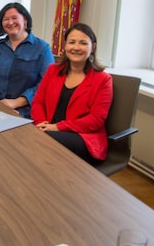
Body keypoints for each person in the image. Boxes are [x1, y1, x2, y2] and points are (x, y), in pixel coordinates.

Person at [30, 22, 113, 165]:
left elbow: (96, 119)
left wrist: (57, 127)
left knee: (38, 142)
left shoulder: (103, 80)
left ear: (93, 47)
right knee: (28, 137)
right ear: (65, 46)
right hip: (49, 130)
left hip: (82, 137)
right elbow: (38, 102)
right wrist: (41, 123)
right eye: (72, 42)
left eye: (83, 43)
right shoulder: (53, 71)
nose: (76, 47)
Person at [0, 2, 55, 117]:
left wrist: (15, 103)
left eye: (14, 18)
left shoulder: (42, 48)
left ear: (25, 20)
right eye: (6, 19)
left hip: (26, 111)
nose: (10, 22)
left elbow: (46, 84)